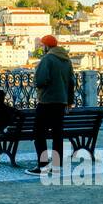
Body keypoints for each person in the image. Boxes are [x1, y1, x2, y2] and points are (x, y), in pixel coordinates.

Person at [29, 34, 75, 176]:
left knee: (39, 133)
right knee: (57, 134)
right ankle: (57, 164)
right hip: (61, 102)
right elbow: (72, 82)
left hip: (47, 101)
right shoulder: (66, 60)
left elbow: (41, 80)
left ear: (47, 46)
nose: (42, 48)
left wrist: (38, 84)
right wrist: (69, 101)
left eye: (43, 45)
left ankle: (42, 165)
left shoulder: (47, 59)